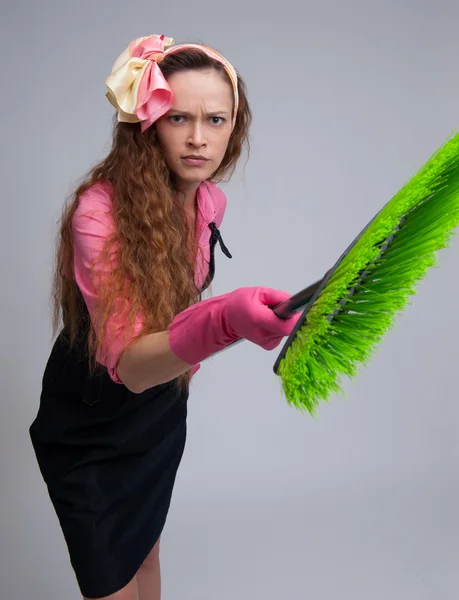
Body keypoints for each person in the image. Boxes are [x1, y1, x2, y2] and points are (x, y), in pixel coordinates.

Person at [29, 34, 300, 600]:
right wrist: (227, 321)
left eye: (217, 119)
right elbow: (129, 365)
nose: (199, 138)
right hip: (90, 424)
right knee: (111, 579)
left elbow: (178, 332)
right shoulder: (98, 212)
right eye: (178, 117)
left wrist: (236, 323)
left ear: (235, 127)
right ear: (147, 123)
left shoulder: (208, 204)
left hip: (158, 416)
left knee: (146, 553)